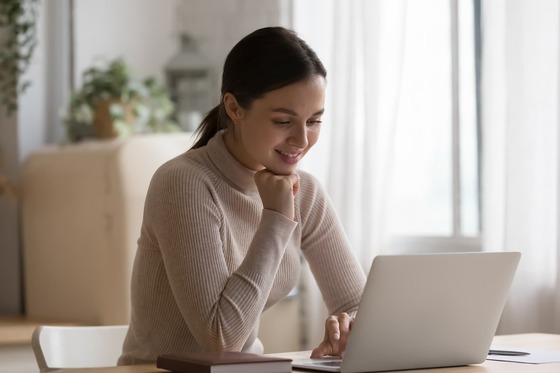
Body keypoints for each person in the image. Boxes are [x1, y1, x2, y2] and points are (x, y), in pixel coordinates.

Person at [118, 26, 366, 366]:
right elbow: (220, 339)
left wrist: (350, 325)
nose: (301, 139)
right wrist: (277, 219)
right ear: (234, 108)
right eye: (283, 121)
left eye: (314, 121)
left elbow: (360, 304)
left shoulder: (304, 191)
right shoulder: (183, 183)